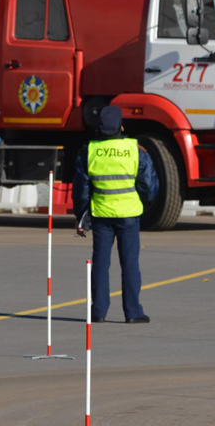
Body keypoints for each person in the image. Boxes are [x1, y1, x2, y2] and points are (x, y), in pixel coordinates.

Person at [73, 106, 159, 324]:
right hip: (128, 216)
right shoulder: (135, 150)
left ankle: (98, 312)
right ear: (121, 126)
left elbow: (81, 190)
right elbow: (149, 185)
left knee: (101, 264)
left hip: (101, 215)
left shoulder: (89, 151)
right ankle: (133, 313)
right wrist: (145, 201)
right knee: (130, 264)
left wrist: (81, 217)